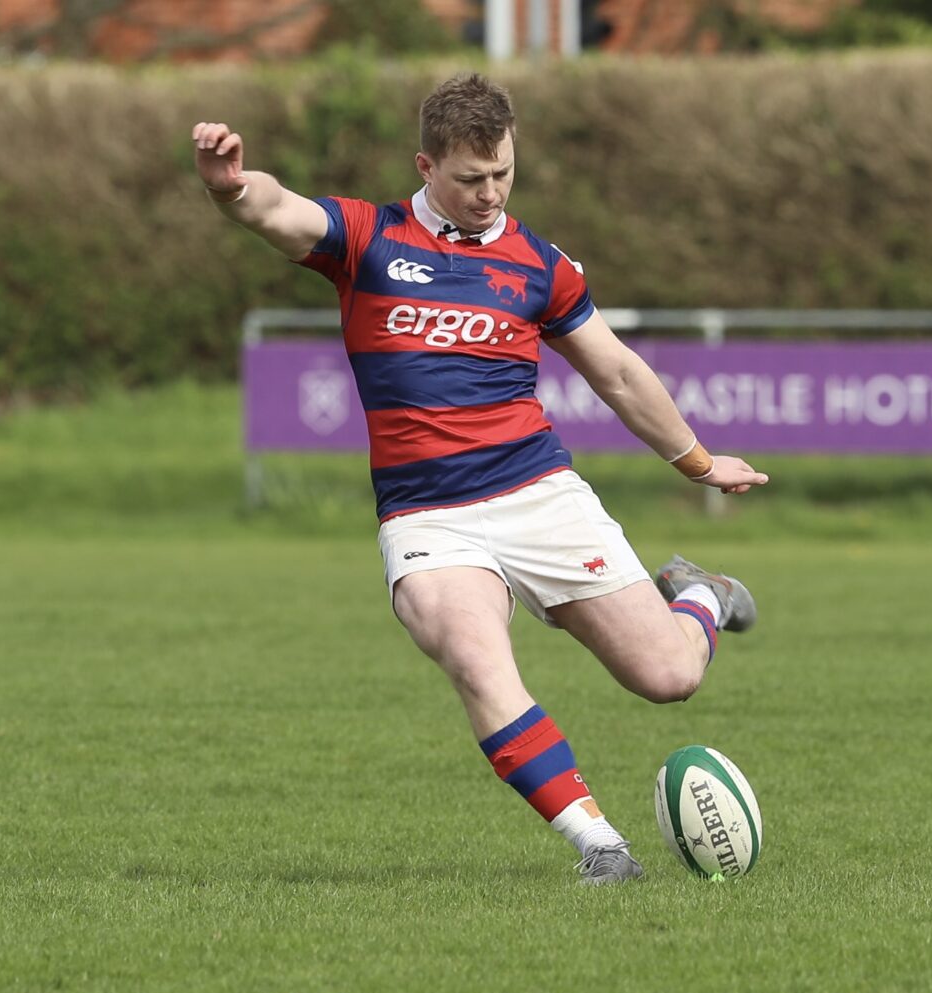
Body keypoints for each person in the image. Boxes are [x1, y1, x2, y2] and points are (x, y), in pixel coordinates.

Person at [193, 72, 768, 885]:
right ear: (425, 166)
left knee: (668, 676)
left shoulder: (540, 265)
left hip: (539, 493)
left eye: (502, 173)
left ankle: (702, 592)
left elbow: (619, 372)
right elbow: (275, 207)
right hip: (429, 518)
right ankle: (601, 846)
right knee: (472, 652)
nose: (490, 194)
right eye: (470, 178)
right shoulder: (368, 238)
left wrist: (699, 463)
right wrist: (229, 188)